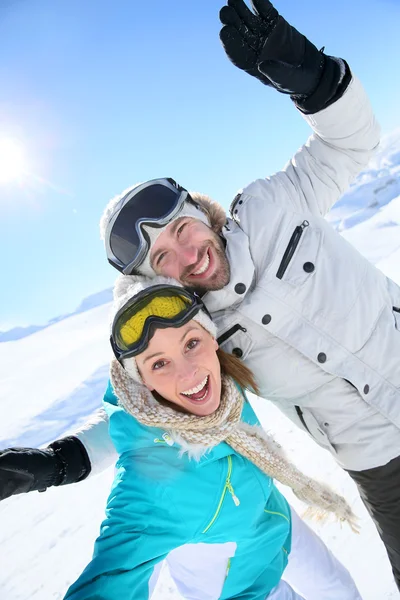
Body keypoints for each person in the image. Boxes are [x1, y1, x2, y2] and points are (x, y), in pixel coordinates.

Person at [2, 0, 400, 589]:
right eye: (164, 258)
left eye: (184, 230)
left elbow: (352, 145)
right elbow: (143, 411)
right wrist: (60, 461)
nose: (189, 256)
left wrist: (313, 77)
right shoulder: (195, 331)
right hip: (377, 460)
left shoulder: (270, 208)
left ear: (202, 212)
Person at [64, 277, 362, 600]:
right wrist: (65, 458)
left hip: (274, 519)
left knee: (340, 588)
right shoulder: (153, 482)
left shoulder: (226, 387)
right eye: (160, 363)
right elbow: (109, 580)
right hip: (242, 585)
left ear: (211, 338)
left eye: (191, 343)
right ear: (144, 383)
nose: (188, 372)